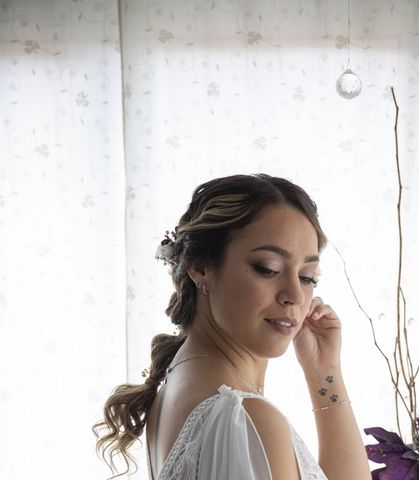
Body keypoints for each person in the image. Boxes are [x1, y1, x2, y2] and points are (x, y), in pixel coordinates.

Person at [93, 174, 370, 480]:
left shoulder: (180, 384)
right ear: (200, 267)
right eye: (268, 269)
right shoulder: (246, 418)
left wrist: (324, 371)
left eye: (308, 277)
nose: (295, 296)